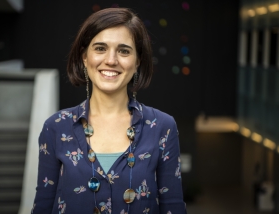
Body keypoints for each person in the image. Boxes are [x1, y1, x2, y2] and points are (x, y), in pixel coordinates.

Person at [32, 7, 186, 214]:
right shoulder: (56, 127)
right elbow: (42, 206)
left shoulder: (163, 127)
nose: (111, 60)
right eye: (100, 48)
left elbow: (173, 207)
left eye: (124, 51)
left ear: (137, 61)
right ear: (84, 57)